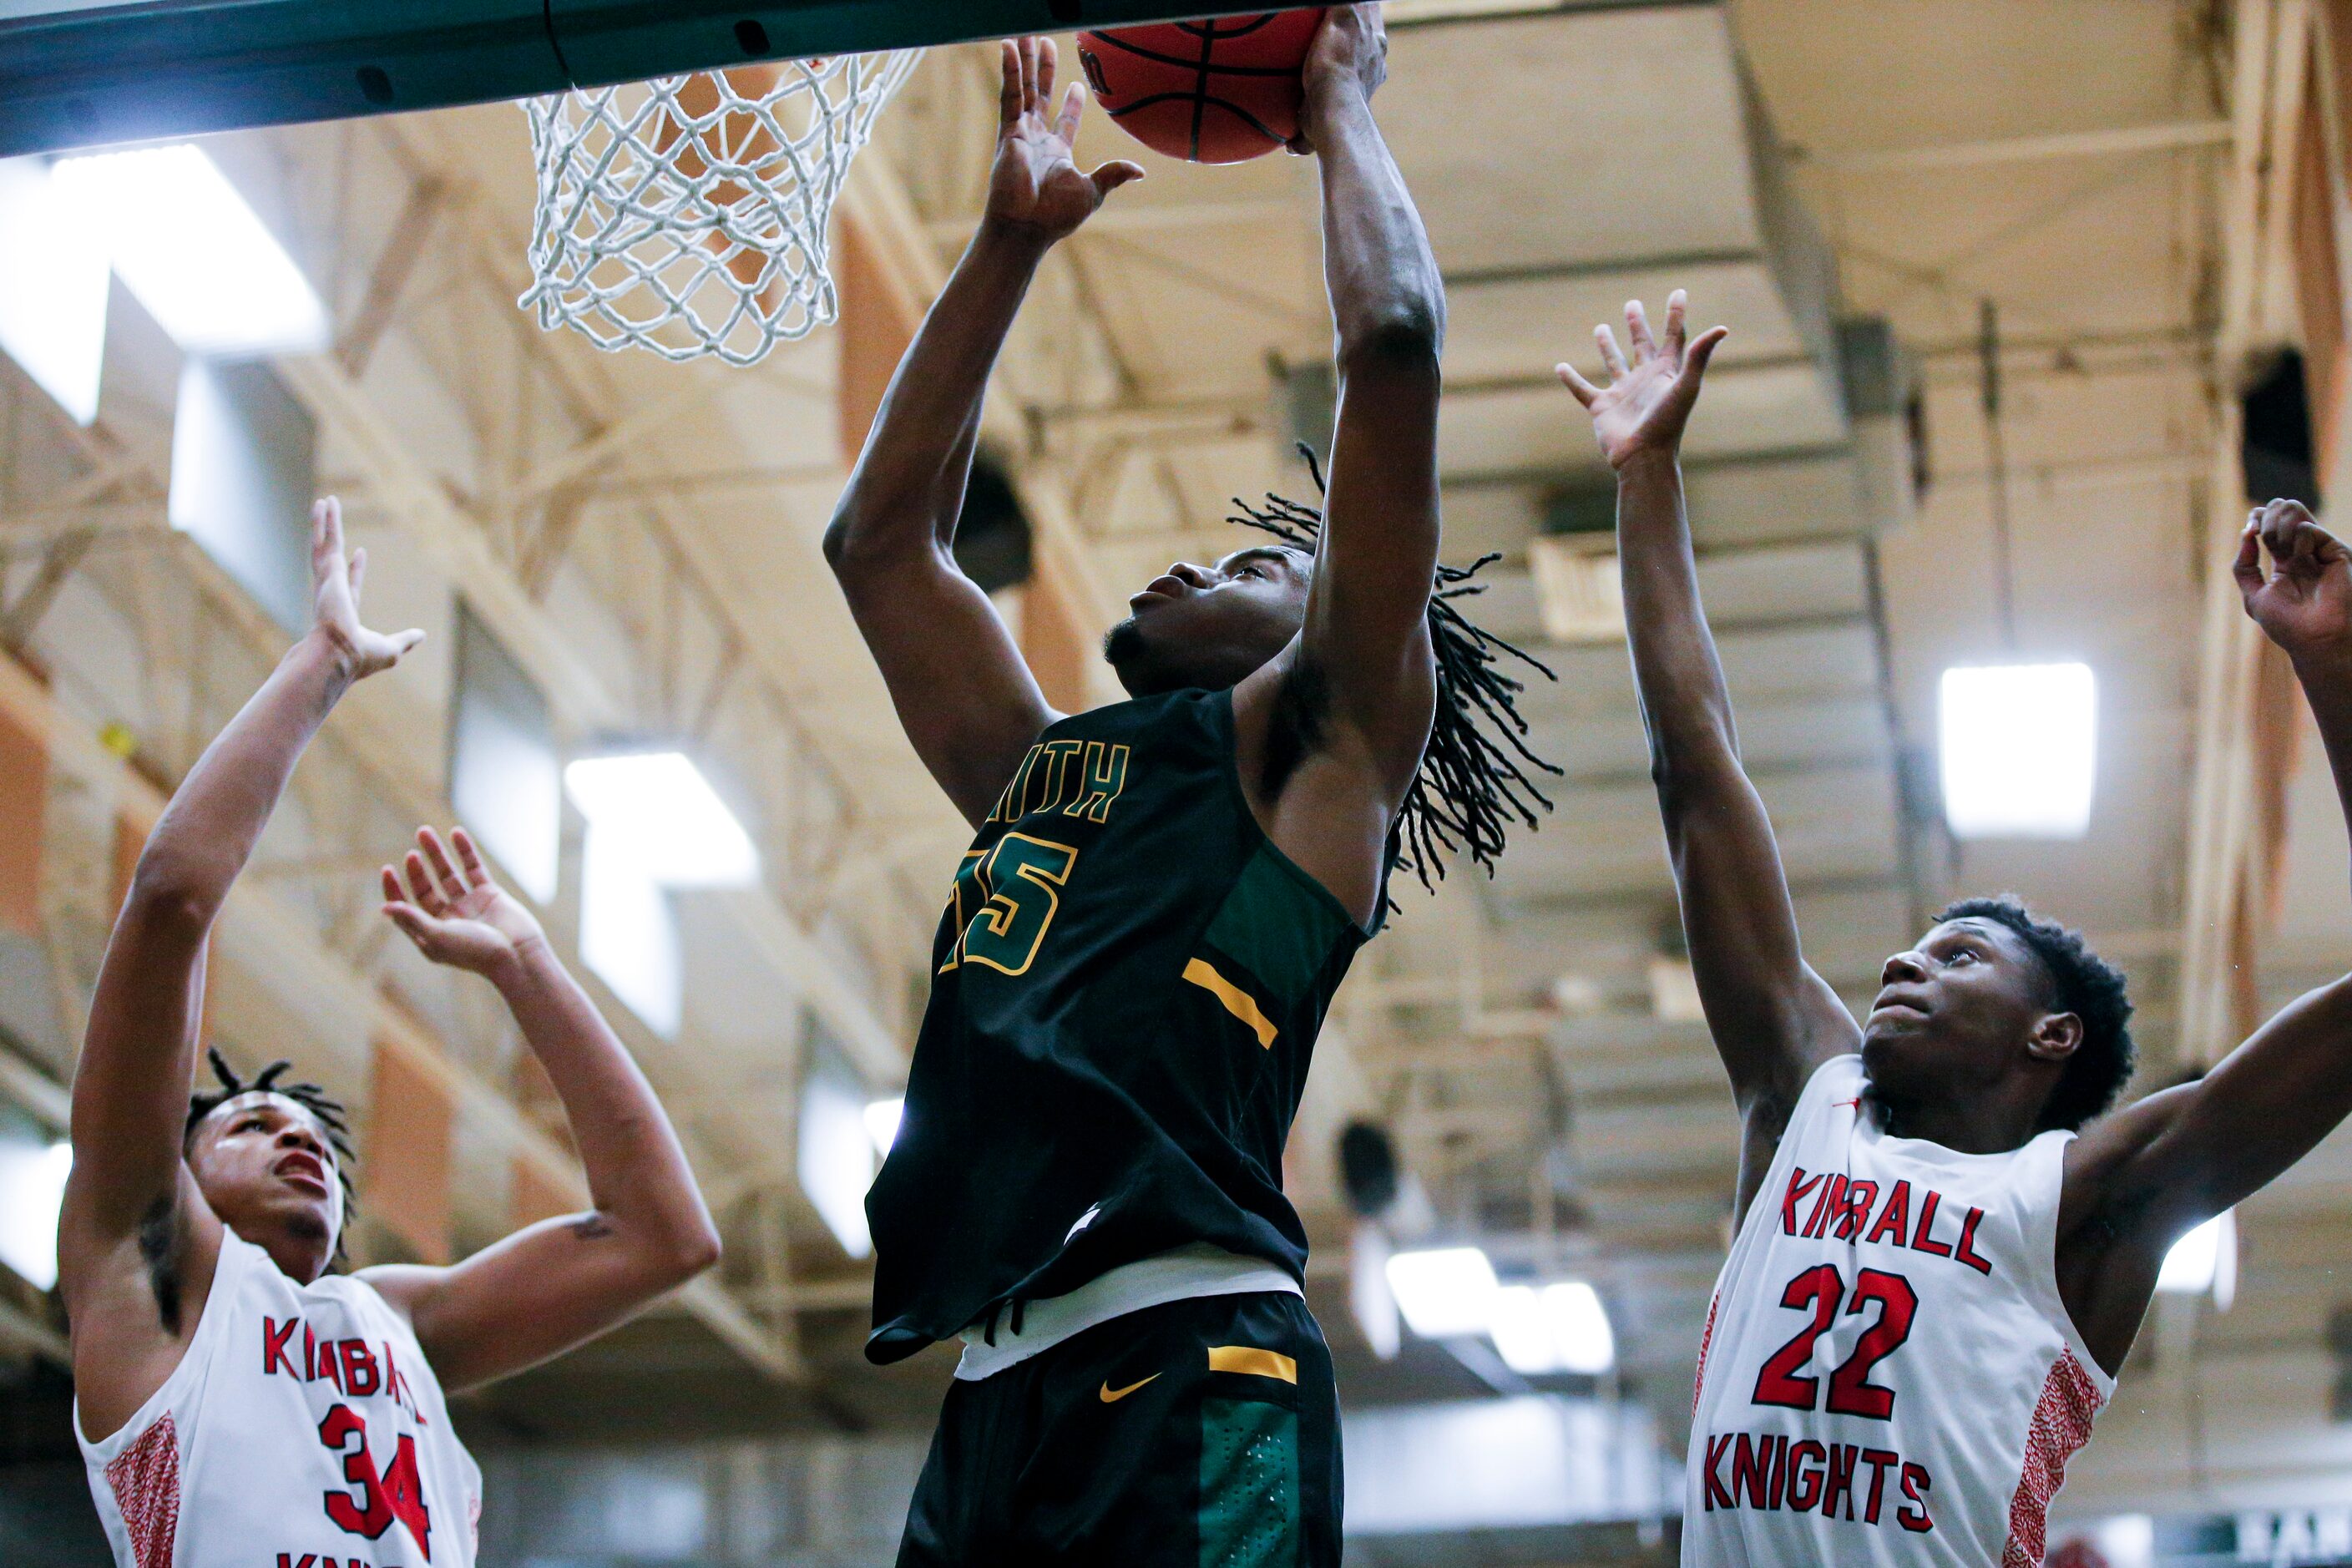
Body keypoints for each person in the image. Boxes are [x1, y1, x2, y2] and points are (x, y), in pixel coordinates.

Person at [823, 13, 1548, 1564]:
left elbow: (1395, 348)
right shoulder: (1046, 772)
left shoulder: (1322, 752)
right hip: (993, 1388)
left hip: (1197, 1353)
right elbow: (877, 545)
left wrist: (1338, 99)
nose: (1188, 559)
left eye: (1249, 562)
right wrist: (1006, 245)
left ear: (1330, 622)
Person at [1559, 293, 2352, 1565]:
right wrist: (1645, 473)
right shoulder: (1803, 1097)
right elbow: (1695, 767)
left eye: (1957, 954)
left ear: (2051, 1034)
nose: (1898, 963)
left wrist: (2332, 662)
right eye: (1917, 947)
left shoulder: (2089, 1200)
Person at [60, 498, 721, 1568]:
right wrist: (321, 664)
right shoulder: (153, 1278)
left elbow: (667, 1238)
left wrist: (527, 966)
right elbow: (174, 900)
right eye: (252, 1124)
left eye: (311, 1134)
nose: (298, 1140)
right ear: (172, 1174)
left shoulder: (392, 1321)